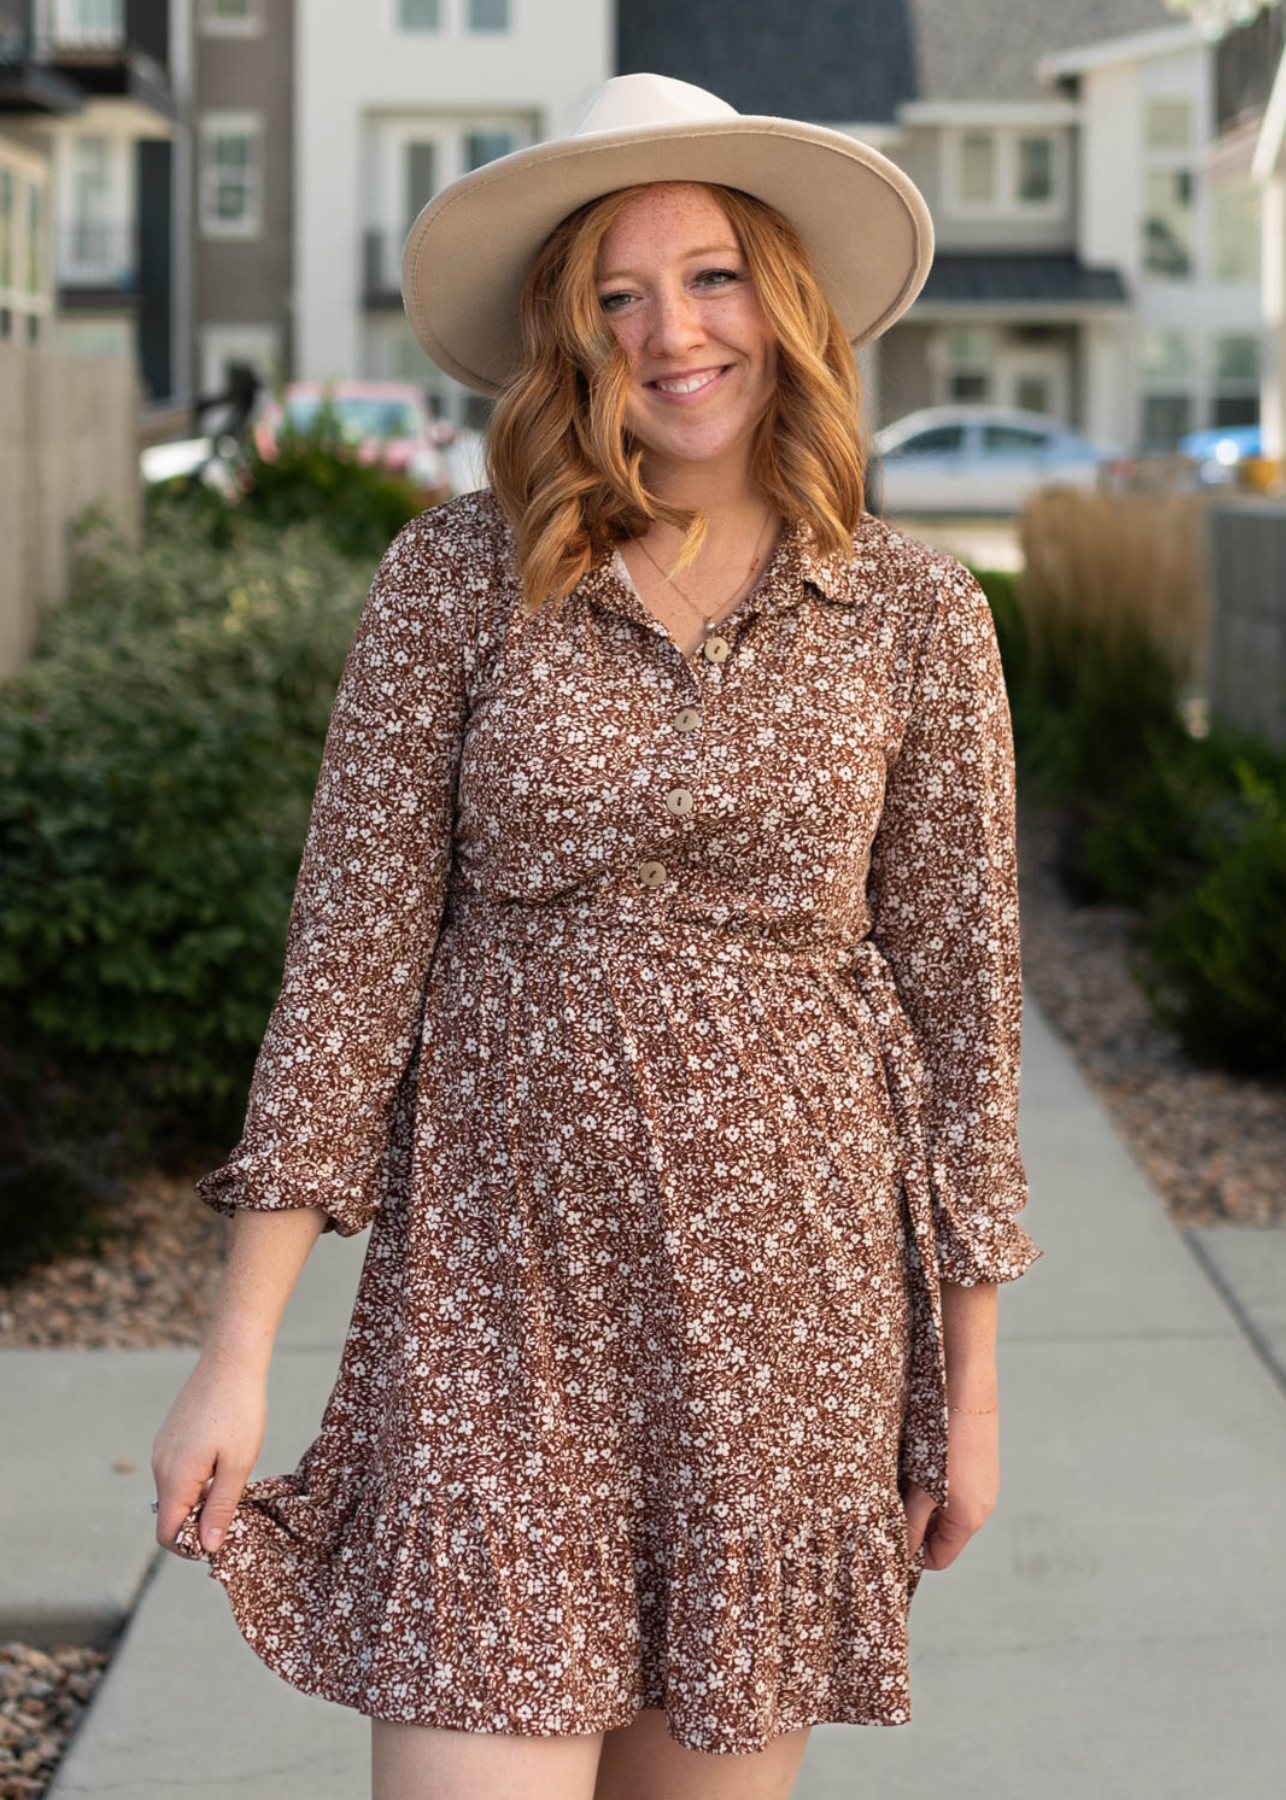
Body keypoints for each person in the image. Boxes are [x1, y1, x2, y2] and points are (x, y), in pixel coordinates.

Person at [152, 72, 1043, 1800]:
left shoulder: (918, 612)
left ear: (781, 300)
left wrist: (971, 1392)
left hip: (794, 1311)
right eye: (614, 298)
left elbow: (959, 1012)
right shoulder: (454, 581)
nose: (670, 333)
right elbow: (346, 976)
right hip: (498, 1302)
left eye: (708, 277)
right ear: (568, 343)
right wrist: (234, 1353)